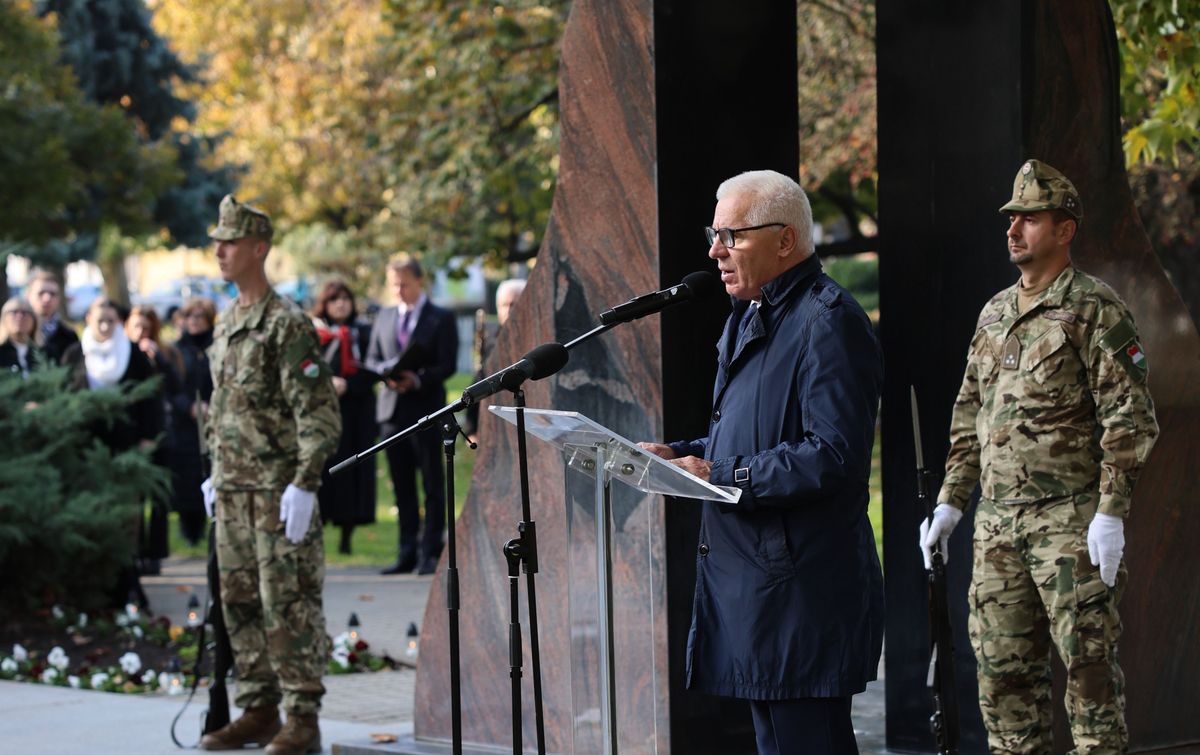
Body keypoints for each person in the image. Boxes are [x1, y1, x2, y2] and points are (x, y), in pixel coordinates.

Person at [639, 170, 884, 755]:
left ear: (784, 241)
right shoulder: (749, 314)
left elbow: (833, 455)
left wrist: (719, 475)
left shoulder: (830, 320)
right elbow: (752, 432)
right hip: (757, 586)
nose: (714, 250)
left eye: (731, 235)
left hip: (802, 591)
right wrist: (684, 454)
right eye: (714, 232)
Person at [920, 160, 1159, 754]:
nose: (1014, 228)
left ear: (1065, 228)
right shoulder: (994, 313)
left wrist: (1111, 511)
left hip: (1070, 524)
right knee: (1003, 684)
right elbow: (969, 415)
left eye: (1029, 218)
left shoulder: (1094, 309)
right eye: (1011, 218)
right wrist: (951, 503)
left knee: (1090, 680)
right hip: (998, 527)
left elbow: (1129, 417)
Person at [198, 195, 341, 754]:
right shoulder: (227, 321)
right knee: (239, 603)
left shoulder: (285, 323)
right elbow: (221, 406)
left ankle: (301, 717)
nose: (219, 250)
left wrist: (305, 482)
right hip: (233, 491)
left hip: (279, 494)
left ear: (259, 248)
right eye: (217, 241)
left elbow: (318, 413)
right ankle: (258, 709)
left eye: (229, 241)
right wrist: (214, 471)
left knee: (288, 603)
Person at [63, 297, 164, 608]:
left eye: (111, 320)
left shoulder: (132, 353)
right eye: (99, 320)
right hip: (86, 452)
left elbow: (150, 399)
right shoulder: (74, 354)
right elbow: (65, 398)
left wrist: (147, 438)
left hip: (125, 450)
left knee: (126, 521)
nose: (105, 326)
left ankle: (126, 587)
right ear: (89, 322)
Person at [366, 255, 459, 576]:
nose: (399, 290)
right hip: (392, 412)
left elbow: (447, 364)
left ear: (420, 281)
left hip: (426, 410)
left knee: (432, 484)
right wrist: (387, 373)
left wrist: (417, 378)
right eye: (394, 285)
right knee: (402, 486)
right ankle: (406, 550)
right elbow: (373, 358)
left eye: (404, 283)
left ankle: (430, 551)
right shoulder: (385, 316)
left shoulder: (440, 318)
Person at [312, 279, 377, 555]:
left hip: (357, 412)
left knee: (353, 470)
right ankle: (319, 529)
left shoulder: (363, 332)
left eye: (345, 299)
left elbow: (375, 366)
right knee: (323, 471)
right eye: (334, 299)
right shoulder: (314, 333)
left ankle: (348, 533)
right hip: (323, 412)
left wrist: (350, 385)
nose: (340, 304)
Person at [127, 305, 183, 574]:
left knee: (159, 499)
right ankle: (134, 552)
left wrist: (158, 358)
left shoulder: (164, 352)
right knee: (134, 500)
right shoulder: (121, 353)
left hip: (162, 434)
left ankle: (156, 554)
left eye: (146, 328)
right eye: (136, 327)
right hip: (134, 436)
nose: (141, 333)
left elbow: (176, 385)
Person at [170, 297, 216, 546]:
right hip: (185, 422)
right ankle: (189, 529)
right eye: (190, 317)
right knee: (186, 474)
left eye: (200, 317)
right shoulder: (177, 350)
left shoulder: (216, 347)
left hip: (212, 418)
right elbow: (171, 386)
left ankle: (207, 519)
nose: (195, 322)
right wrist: (189, 406)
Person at [463, 277, 526, 442]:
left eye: (515, 304)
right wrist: (472, 429)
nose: (509, 311)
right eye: (504, 305)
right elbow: (479, 381)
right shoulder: (490, 341)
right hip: (495, 429)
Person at [26, 271, 78, 365]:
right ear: (28, 295)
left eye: (52, 294)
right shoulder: (17, 334)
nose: (47, 298)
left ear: (59, 299)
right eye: (41, 293)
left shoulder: (69, 336)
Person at [0, 297, 47, 378]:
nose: (20, 316)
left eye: (25, 313)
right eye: (14, 312)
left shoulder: (45, 352)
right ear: (4, 318)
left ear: (34, 320)